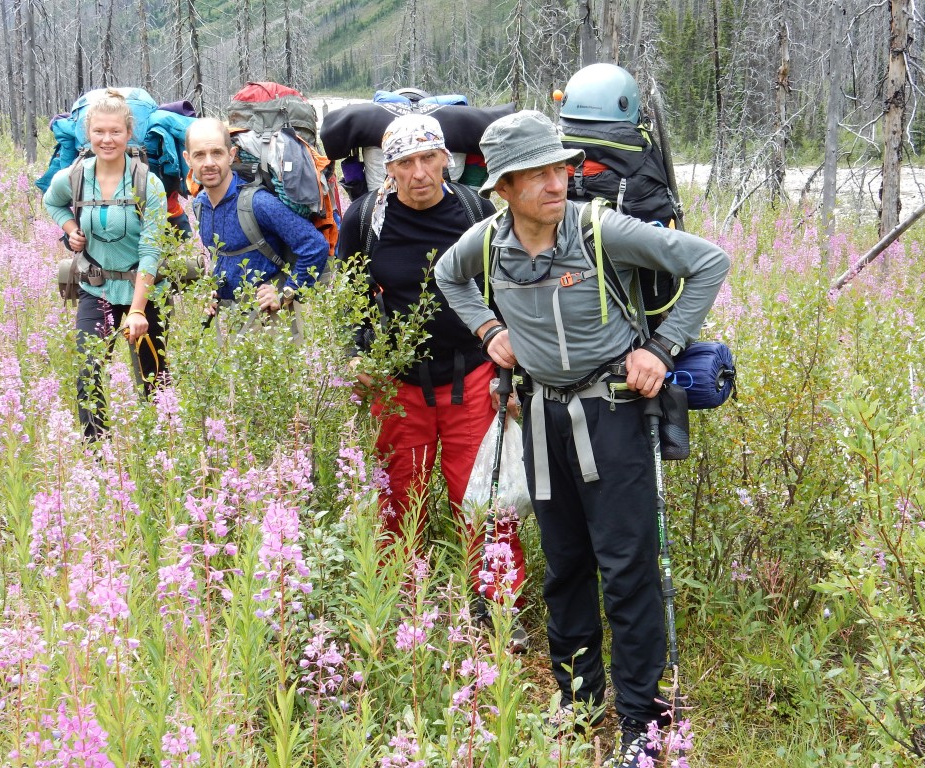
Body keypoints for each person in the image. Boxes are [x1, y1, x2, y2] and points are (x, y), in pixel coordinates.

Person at [434, 110, 729, 767]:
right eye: (535, 173)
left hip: (615, 416)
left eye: (559, 167)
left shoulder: (600, 231)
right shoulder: (485, 245)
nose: (555, 181)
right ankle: (575, 705)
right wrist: (489, 333)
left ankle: (640, 727)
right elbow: (448, 278)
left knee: (627, 572)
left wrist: (661, 346)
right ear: (503, 188)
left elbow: (709, 262)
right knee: (565, 567)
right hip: (539, 417)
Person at [338, 113, 529, 650]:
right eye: (403, 162)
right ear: (388, 168)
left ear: (448, 158)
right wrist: (359, 354)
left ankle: (497, 611)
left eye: (428, 158)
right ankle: (408, 605)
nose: (418, 172)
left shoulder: (477, 214)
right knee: (402, 497)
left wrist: (510, 376)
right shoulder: (365, 219)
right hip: (398, 387)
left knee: (484, 498)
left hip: (473, 376)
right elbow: (350, 293)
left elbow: (510, 292)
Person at [44, 89, 169, 441]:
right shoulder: (74, 176)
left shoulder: (149, 183)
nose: (107, 139)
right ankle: (98, 456)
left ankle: (161, 449)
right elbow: (51, 202)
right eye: (99, 131)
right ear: (88, 134)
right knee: (89, 374)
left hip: (141, 294)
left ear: (129, 134)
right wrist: (71, 230)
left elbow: (151, 250)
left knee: (153, 377)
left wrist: (138, 310)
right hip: (94, 289)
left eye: (115, 131)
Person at [183, 117, 329, 322]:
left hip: (271, 324)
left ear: (231, 155)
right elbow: (225, 257)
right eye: (200, 155)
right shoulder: (200, 205)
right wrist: (214, 291)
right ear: (188, 159)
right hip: (231, 322)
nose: (209, 163)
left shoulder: (257, 203)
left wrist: (287, 291)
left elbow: (315, 246)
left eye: (217, 153)